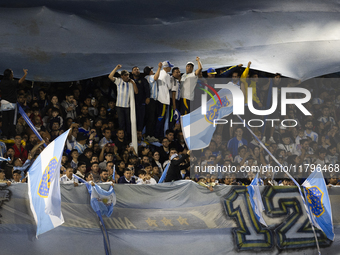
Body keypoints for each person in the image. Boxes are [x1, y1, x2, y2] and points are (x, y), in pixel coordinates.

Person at [108, 65, 138, 139]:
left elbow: (136, 92)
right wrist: (116, 68)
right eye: (125, 75)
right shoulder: (119, 81)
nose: (127, 76)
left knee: (128, 123)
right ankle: (121, 137)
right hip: (120, 106)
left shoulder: (131, 82)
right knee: (121, 123)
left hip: (127, 106)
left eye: (128, 75)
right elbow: (110, 77)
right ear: (122, 76)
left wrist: (133, 83)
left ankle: (128, 137)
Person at [0, 68, 27, 140]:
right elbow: (20, 82)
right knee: (12, 120)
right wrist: (25, 74)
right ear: (9, 75)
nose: (13, 75)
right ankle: (12, 135)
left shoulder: (2, 82)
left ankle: (4, 135)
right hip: (11, 105)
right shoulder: (11, 82)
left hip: (3, 104)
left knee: (5, 120)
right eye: (12, 73)